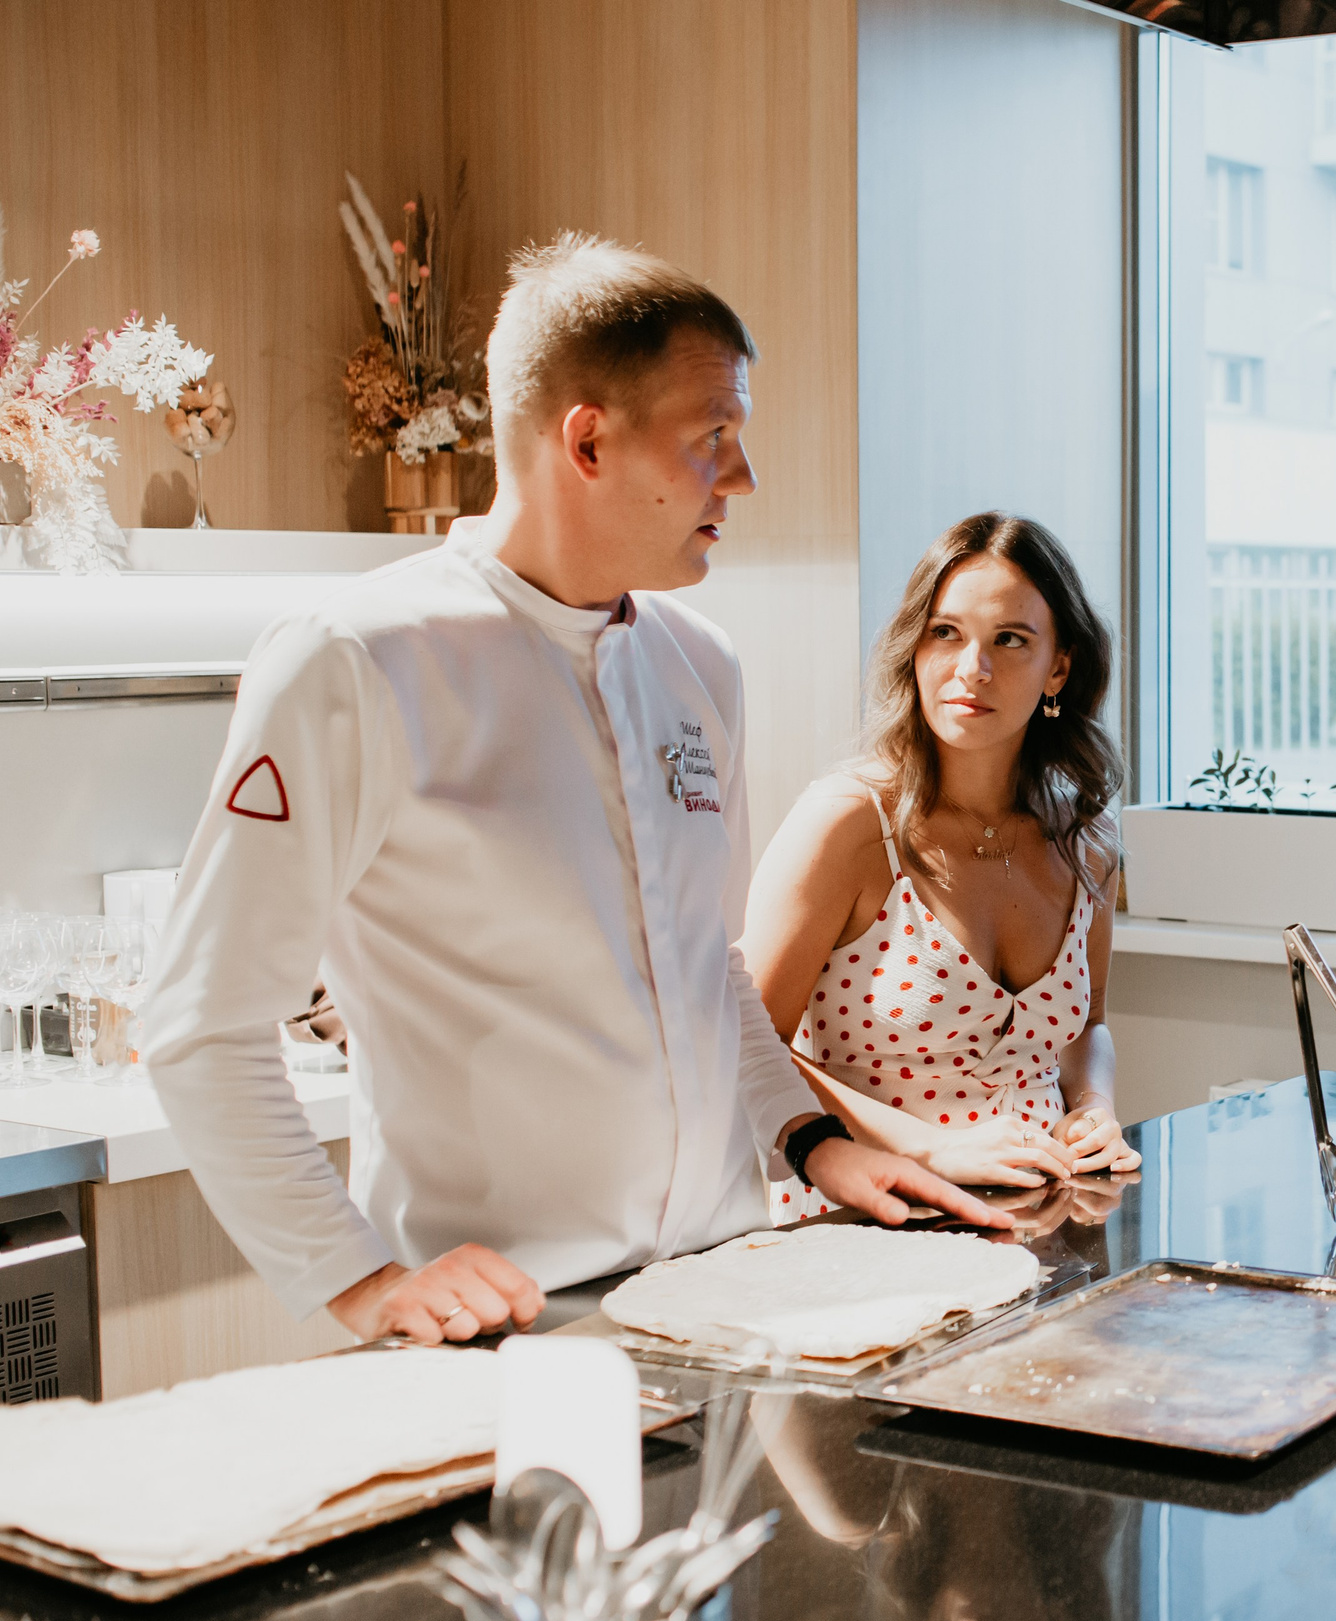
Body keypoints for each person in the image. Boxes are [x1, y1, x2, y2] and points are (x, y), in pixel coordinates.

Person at [146, 235, 997, 1345]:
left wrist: (811, 1142)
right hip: (502, 1330)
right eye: (714, 439)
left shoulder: (702, 665)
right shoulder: (357, 659)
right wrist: (354, 1280)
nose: (742, 477)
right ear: (587, 440)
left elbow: (707, 972)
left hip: (723, 1303)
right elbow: (200, 1022)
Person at [742, 511, 1138, 1218]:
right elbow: (745, 1042)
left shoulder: (1088, 838)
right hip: (861, 1226)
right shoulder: (849, 824)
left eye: (1009, 639)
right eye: (945, 632)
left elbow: (1087, 1026)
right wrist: (926, 1147)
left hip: (1039, 1219)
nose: (971, 669)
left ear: (1060, 665)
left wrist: (1094, 1109)